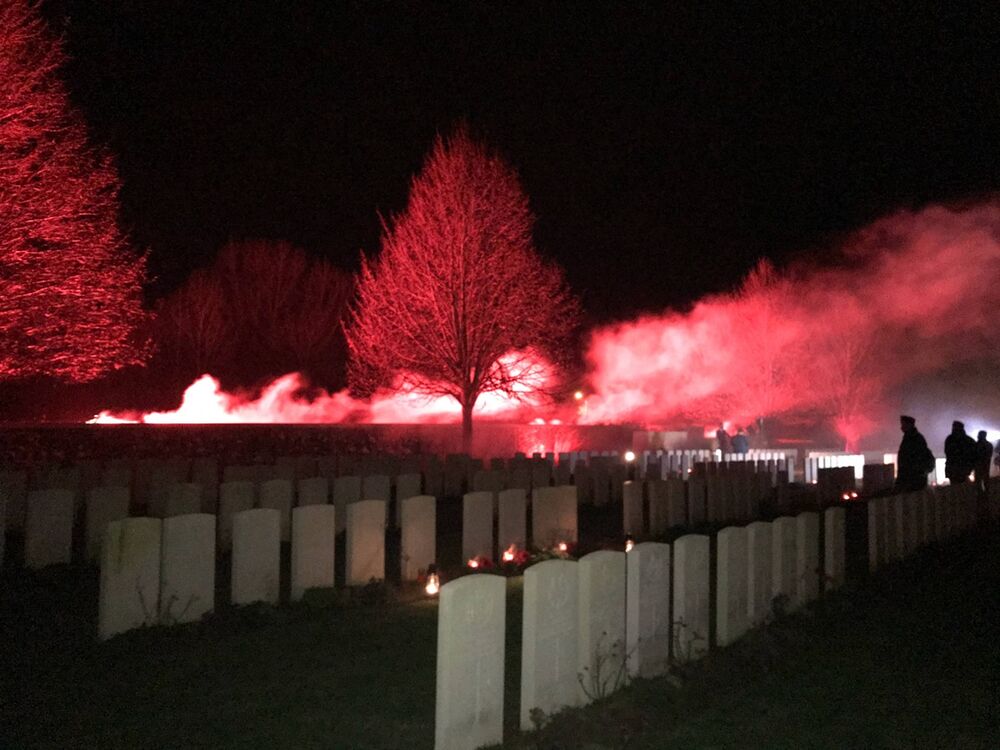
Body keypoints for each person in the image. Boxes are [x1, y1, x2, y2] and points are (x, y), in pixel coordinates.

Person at [896, 415, 933, 491]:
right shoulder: (911, 438)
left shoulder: (914, 439)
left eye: (903, 424)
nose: (901, 427)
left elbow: (915, 458)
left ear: (909, 424)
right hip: (912, 477)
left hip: (914, 478)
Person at [974, 430, 992, 496]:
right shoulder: (989, 445)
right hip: (986, 464)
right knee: (986, 479)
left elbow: (974, 455)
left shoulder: (976, 445)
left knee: (978, 480)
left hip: (978, 465)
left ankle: (980, 493)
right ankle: (986, 492)